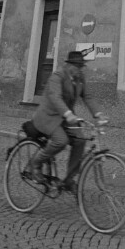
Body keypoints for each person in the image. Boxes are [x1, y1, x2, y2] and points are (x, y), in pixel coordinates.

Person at [29, 50, 107, 193]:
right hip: (48, 116)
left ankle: (69, 179)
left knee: (80, 140)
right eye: (77, 66)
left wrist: (98, 114)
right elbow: (55, 97)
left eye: (81, 66)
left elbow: (88, 96)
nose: (79, 69)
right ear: (69, 66)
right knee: (61, 140)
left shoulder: (79, 78)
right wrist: (68, 113)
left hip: (66, 118)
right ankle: (35, 163)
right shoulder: (57, 76)